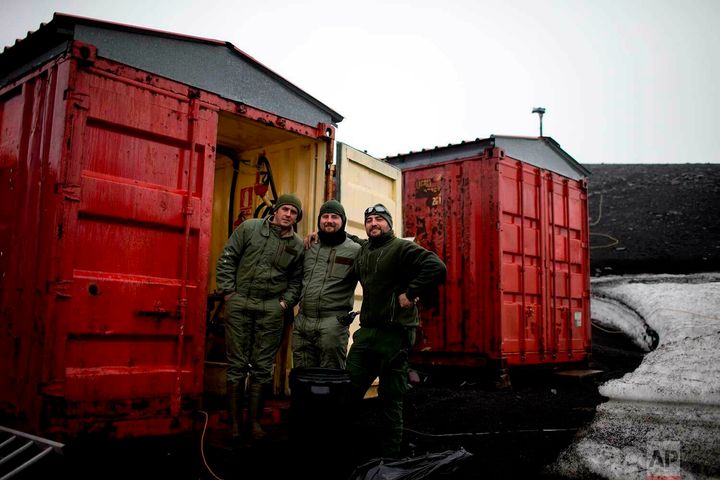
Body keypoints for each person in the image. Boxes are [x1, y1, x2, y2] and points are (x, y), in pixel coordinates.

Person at [348, 203, 446, 459]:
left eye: (379, 219)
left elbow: (436, 267)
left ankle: (390, 457)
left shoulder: (402, 248)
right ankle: (344, 450)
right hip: (367, 333)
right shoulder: (365, 250)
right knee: (347, 392)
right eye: (369, 220)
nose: (374, 224)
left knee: (390, 398)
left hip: (394, 335)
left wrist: (411, 292)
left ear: (389, 224)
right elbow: (354, 239)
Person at [216, 193, 304, 443]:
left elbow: (297, 280)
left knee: (262, 367)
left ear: (296, 218)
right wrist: (228, 293)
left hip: (270, 308)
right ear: (275, 210)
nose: (288, 214)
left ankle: (253, 423)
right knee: (237, 365)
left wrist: (284, 303)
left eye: (294, 212)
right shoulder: (250, 228)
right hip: (240, 301)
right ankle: (234, 424)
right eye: (285, 209)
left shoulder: (297, 245)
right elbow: (228, 258)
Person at [293, 200, 360, 369]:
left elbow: (376, 269)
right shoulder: (309, 245)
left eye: (335, 217)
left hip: (333, 325)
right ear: (319, 220)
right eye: (325, 216)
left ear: (343, 221)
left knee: (330, 379)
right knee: (303, 377)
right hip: (303, 324)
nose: (329, 220)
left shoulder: (355, 250)